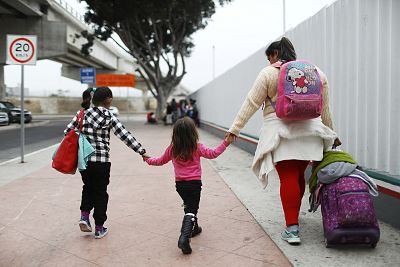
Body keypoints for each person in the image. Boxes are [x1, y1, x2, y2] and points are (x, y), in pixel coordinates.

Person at [225, 37, 340, 245]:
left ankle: (292, 228)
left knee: (287, 177)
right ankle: (293, 219)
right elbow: (325, 109)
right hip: (312, 133)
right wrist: (331, 133)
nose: (269, 62)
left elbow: (251, 102)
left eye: (270, 58)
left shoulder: (268, 73)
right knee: (297, 177)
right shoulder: (316, 72)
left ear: (275, 54)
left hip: (281, 132)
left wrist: (235, 129)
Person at [64, 87, 147, 239]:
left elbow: (67, 132)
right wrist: (141, 150)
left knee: (88, 188)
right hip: (102, 162)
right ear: (108, 100)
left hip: (85, 161)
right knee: (101, 192)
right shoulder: (109, 116)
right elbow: (124, 135)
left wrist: (83, 135)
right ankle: (99, 228)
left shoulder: (82, 114)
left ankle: (84, 217)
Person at [142, 117, 231, 254]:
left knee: (189, 206)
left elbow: (159, 161)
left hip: (180, 186)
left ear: (175, 134)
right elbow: (213, 154)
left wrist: (148, 160)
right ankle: (184, 238)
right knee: (192, 209)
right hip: (194, 184)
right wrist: (226, 142)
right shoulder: (197, 147)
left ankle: (194, 228)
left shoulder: (172, 149)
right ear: (193, 133)